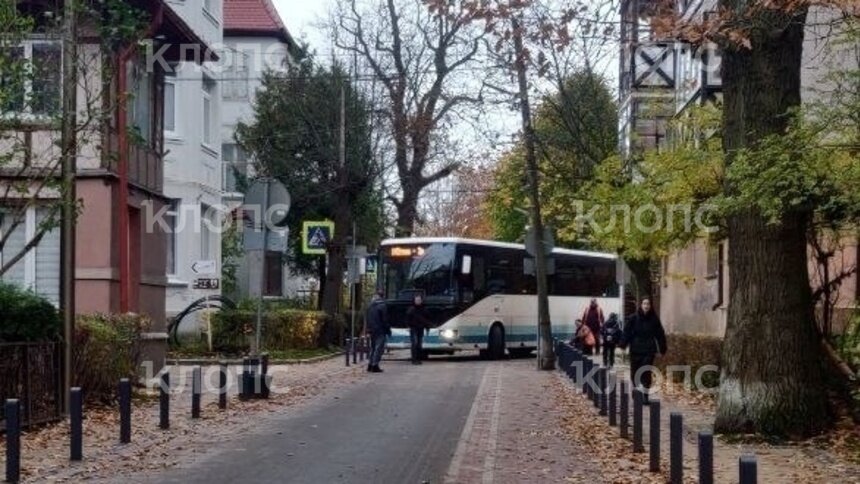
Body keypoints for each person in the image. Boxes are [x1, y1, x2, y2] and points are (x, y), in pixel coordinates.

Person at [620, 298, 667, 404]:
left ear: (651, 306)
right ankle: (636, 391)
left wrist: (662, 349)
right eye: (644, 303)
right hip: (635, 349)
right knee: (635, 372)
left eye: (648, 304)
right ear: (640, 305)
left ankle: (645, 396)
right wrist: (622, 345)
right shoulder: (633, 318)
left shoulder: (654, 319)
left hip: (649, 349)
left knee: (646, 372)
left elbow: (660, 334)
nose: (646, 306)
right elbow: (626, 332)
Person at [364, 291, 390, 373]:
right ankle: (375, 365)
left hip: (372, 330)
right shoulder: (382, 306)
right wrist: (388, 329)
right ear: (382, 297)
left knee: (373, 347)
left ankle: (370, 364)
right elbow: (384, 320)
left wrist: (368, 329)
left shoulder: (369, 306)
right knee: (379, 348)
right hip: (380, 329)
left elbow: (367, 319)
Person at [406, 294, 432, 365]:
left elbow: (427, 319)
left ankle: (418, 359)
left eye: (419, 300)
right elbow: (408, 319)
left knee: (419, 345)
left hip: (421, 329)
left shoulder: (424, 309)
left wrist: (427, 327)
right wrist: (408, 326)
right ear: (414, 301)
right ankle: (414, 359)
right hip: (413, 328)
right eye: (417, 300)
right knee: (414, 343)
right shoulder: (411, 309)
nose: (418, 301)